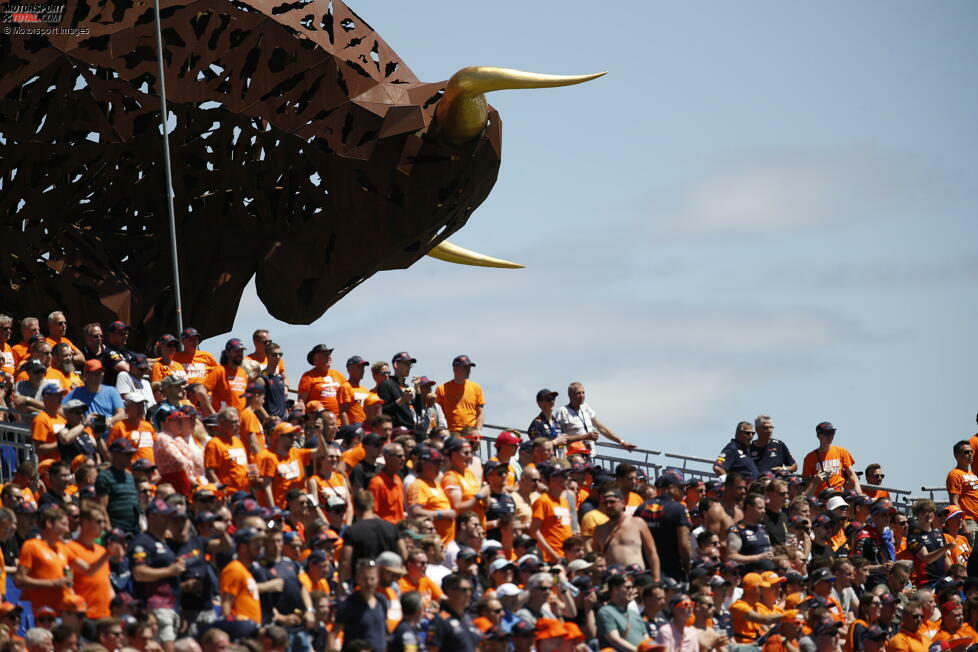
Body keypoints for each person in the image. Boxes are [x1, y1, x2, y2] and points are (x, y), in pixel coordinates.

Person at [339, 491, 407, 583]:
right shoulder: (391, 527)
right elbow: (404, 554)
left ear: (355, 508)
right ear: (373, 505)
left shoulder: (352, 531)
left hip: (363, 583)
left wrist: (341, 583)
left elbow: (345, 561)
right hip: (388, 580)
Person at [592, 488, 661, 578]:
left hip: (637, 578)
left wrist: (656, 578)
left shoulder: (637, 523)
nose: (608, 505)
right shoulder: (600, 530)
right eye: (605, 503)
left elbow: (651, 552)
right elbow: (597, 558)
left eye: (612, 502)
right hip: (613, 582)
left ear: (622, 503)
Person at [636, 472, 692, 581]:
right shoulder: (679, 509)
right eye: (681, 488)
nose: (683, 492)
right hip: (671, 570)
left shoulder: (642, 507)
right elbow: (684, 545)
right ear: (671, 488)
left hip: (646, 569)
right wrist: (687, 568)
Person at [255, 421, 324, 508]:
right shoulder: (269, 458)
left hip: (302, 506)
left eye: (294, 435)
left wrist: (319, 434)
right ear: (280, 437)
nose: (294, 438)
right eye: (290, 435)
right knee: (271, 523)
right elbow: (267, 487)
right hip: (282, 510)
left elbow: (322, 452)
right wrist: (273, 512)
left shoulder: (296, 452)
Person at [555, 382, 636, 452]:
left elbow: (601, 428)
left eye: (583, 393)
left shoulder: (585, 407)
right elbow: (559, 438)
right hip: (574, 456)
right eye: (578, 393)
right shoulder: (563, 411)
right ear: (570, 395)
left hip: (589, 454)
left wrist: (621, 442)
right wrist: (584, 436)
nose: (582, 395)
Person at [220, 527, 280, 623]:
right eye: (255, 543)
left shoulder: (245, 571)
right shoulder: (234, 569)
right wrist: (228, 629)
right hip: (239, 630)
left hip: (251, 629)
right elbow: (226, 604)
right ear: (243, 547)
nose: (260, 546)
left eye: (260, 542)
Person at [66, 506, 113, 620]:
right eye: (99, 522)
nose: (104, 526)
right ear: (85, 523)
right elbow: (68, 586)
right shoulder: (69, 549)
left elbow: (107, 584)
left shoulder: (102, 551)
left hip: (105, 616)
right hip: (84, 617)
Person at [335, 559, 388, 652]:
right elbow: (334, 633)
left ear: (377, 579)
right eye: (365, 579)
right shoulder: (348, 604)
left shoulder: (382, 601)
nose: (369, 583)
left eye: (372, 579)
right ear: (357, 579)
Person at [406, 447, 456, 545]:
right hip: (432, 546)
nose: (439, 466)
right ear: (423, 464)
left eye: (440, 462)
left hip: (446, 544)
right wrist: (442, 514)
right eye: (435, 463)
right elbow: (416, 512)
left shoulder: (435, 483)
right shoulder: (417, 485)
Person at [530, 462, 574, 563]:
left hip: (566, 557)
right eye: (564, 476)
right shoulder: (543, 501)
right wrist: (552, 553)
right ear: (553, 478)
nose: (568, 479)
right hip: (550, 559)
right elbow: (534, 531)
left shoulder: (564, 502)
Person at [426, 573, 483, 651]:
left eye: (471, 590)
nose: (468, 594)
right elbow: (432, 649)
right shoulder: (440, 621)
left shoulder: (467, 618)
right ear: (450, 592)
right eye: (464, 590)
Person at [802, 422, 861, 496]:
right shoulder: (809, 458)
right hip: (821, 499)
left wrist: (858, 491)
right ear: (818, 435)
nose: (830, 436)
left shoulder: (842, 452)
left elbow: (852, 474)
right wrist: (815, 480)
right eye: (827, 433)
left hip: (839, 495)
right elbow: (805, 481)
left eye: (832, 433)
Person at [95, 439, 140, 534]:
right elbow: (102, 507)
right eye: (126, 454)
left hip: (134, 530)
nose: (130, 457)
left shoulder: (130, 476)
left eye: (131, 454)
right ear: (115, 454)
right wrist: (109, 530)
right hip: (117, 531)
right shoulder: (104, 477)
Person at [64, 359, 125, 426]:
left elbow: (121, 414)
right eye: (92, 373)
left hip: (107, 433)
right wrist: (76, 421)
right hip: (84, 432)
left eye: (98, 373)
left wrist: (109, 421)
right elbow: (59, 408)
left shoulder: (111, 391)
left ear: (102, 374)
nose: (96, 377)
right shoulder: (77, 391)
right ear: (86, 374)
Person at [434, 355, 485, 435]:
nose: (469, 371)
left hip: (470, 432)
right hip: (451, 433)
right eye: (465, 368)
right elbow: (436, 414)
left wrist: (478, 431)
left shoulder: (476, 387)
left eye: (469, 368)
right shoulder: (441, 389)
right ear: (455, 369)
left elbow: (480, 412)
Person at [203, 407, 250, 493]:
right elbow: (210, 473)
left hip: (244, 493)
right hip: (228, 495)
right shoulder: (214, 444)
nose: (238, 424)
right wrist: (222, 491)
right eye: (234, 422)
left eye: (238, 421)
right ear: (222, 423)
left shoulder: (237, 441)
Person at [596, 574, 646, 650]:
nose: (631, 591)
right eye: (628, 588)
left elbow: (645, 636)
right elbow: (615, 639)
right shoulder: (606, 612)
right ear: (615, 590)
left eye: (632, 587)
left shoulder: (634, 613)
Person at [907, 499, 949, 588]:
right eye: (924, 512)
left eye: (930, 511)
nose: (928, 514)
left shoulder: (938, 532)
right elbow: (926, 558)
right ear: (916, 515)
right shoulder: (913, 537)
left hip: (943, 579)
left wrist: (953, 574)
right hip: (927, 582)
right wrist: (945, 548)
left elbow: (945, 557)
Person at [296, 344, 346, 418]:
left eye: (329, 355)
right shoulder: (308, 377)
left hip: (339, 422)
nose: (329, 357)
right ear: (315, 360)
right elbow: (301, 402)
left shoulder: (339, 375)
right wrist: (302, 421)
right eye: (325, 355)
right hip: (319, 423)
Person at [200, 338, 249, 414]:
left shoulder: (242, 372)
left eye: (241, 351)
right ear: (227, 353)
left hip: (240, 421)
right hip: (224, 421)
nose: (239, 354)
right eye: (236, 351)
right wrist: (212, 412)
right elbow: (200, 391)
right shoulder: (219, 371)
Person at [727, 493, 773, 568]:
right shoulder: (737, 530)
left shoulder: (763, 528)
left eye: (764, 508)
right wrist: (758, 557)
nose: (764, 511)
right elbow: (731, 556)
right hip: (750, 574)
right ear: (749, 508)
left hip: (769, 571)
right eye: (760, 508)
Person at [107, 396, 157, 464]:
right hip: (130, 472)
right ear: (127, 409)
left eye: (142, 406)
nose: (140, 409)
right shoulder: (119, 427)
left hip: (150, 470)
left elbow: (155, 447)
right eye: (137, 406)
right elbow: (110, 452)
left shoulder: (148, 426)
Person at [375, 353, 417, 430]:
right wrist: (402, 400)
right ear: (396, 365)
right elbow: (383, 411)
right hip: (397, 432)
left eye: (410, 364)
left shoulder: (407, 387)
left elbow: (419, 412)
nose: (409, 367)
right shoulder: (386, 384)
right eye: (406, 363)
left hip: (411, 430)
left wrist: (418, 390)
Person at [367, 443, 406, 523]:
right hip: (385, 529)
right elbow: (372, 513)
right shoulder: (377, 483)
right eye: (399, 456)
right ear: (387, 457)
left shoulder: (398, 479)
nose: (403, 459)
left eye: (403, 456)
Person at [946, 441, 978, 531]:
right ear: (957, 455)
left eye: (971, 451)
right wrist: (963, 523)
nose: (970, 454)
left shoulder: (973, 474)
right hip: (968, 520)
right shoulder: (954, 474)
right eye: (966, 452)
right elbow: (954, 502)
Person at [336, 355, 371, 426]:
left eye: (363, 367)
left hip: (366, 428)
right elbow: (343, 412)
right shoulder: (345, 387)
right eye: (359, 367)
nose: (362, 370)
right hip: (354, 428)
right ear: (349, 369)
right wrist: (347, 430)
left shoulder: (366, 390)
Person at [100, 321, 132, 386]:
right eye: (122, 333)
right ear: (111, 335)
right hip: (113, 392)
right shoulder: (109, 352)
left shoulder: (124, 352)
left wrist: (158, 360)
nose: (126, 336)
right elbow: (126, 368)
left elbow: (142, 360)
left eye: (127, 333)